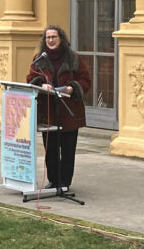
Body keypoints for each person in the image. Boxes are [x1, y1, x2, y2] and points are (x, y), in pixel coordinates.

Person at [26, 25, 91, 190]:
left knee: (68, 151)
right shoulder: (39, 59)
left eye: (54, 37)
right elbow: (31, 78)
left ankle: (65, 183)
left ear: (61, 38)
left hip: (69, 111)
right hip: (48, 112)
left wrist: (72, 88)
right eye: (48, 37)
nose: (51, 40)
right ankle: (53, 180)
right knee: (51, 150)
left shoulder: (73, 58)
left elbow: (86, 80)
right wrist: (41, 84)